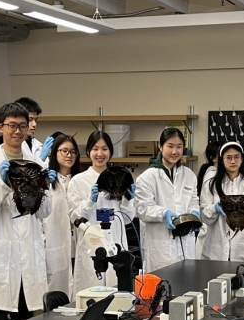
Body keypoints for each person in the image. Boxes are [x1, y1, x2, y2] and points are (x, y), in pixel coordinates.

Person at [0, 101, 54, 320]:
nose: (17, 131)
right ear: (0, 127)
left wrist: (44, 186)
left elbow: (45, 212)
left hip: (28, 252)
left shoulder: (36, 163)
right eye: (11, 125)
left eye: (22, 125)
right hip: (1, 252)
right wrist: (2, 183)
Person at [68, 130, 136, 295]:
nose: (100, 153)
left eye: (104, 149)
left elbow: (128, 219)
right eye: (95, 149)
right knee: (91, 296)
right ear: (88, 152)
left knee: (118, 297)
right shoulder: (78, 181)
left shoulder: (120, 178)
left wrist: (128, 199)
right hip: (91, 246)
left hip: (116, 242)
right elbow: (74, 217)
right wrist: (90, 200)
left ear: (110, 152)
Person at [135, 127, 199, 273]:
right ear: (160, 146)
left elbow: (194, 200)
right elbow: (142, 209)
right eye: (170, 146)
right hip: (160, 244)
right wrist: (163, 213)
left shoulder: (189, 175)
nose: (174, 152)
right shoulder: (147, 177)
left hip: (186, 242)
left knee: (187, 286)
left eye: (179, 147)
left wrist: (195, 213)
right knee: (162, 287)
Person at [199, 141, 244, 262]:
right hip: (215, 248)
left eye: (236, 157)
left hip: (243, 248)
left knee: (242, 278)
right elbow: (205, 218)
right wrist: (214, 208)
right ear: (222, 160)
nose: (233, 161)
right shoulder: (210, 185)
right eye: (228, 158)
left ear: (242, 159)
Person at [42, 132, 79, 298]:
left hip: (77, 246)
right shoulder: (47, 182)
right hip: (54, 245)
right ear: (54, 153)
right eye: (64, 151)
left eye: (72, 151)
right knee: (56, 293)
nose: (69, 155)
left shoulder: (79, 181)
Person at [17, 96, 49, 161]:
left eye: (35, 120)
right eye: (30, 119)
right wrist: (41, 159)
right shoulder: (15, 146)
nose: (34, 124)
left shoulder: (39, 146)